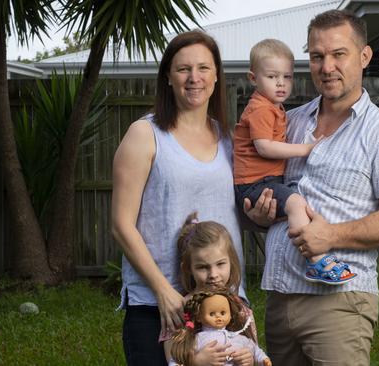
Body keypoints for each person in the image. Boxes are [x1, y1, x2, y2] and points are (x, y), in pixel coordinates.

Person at [253, 10, 379, 366]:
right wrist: (258, 214)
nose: (326, 66)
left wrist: (330, 236)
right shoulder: (290, 122)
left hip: (340, 302)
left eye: (338, 54)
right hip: (280, 296)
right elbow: (266, 191)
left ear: (364, 56)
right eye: (316, 56)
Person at [111, 30, 254, 366]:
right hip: (161, 306)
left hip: (225, 303)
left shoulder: (229, 139)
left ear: (217, 76)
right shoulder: (145, 135)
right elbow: (120, 225)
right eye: (183, 69)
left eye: (204, 68)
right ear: (167, 77)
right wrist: (163, 290)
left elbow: (237, 213)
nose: (194, 78)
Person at [233, 38, 355, 285]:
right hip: (254, 183)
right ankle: (317, 260)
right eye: (272, 76)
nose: (281, 83)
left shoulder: (274, 107)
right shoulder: (261, 109)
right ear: (253, 78)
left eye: (286, 77)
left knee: (296, 206)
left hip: (263, 181)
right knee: (296, 204)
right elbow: (264, 146)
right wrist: (305, 149)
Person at [161, 212, 259, 363]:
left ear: (231, 263)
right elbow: (172, 360)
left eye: (220, 264)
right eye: (202, 267)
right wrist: (196, 362)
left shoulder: (240, 309)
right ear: (188, 269)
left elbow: (254, 351)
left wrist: (250, 359)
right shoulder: (180, 310)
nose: (213, 274)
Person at [170, 288, 271, 366]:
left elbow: (254, 349)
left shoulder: (238, 338)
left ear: (230, 315)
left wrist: (262, 360)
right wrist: (196, 361)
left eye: (223, 313)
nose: (218, 316)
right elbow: (177, 359)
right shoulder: (197, 339)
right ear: (199, 317)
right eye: (212, 313)